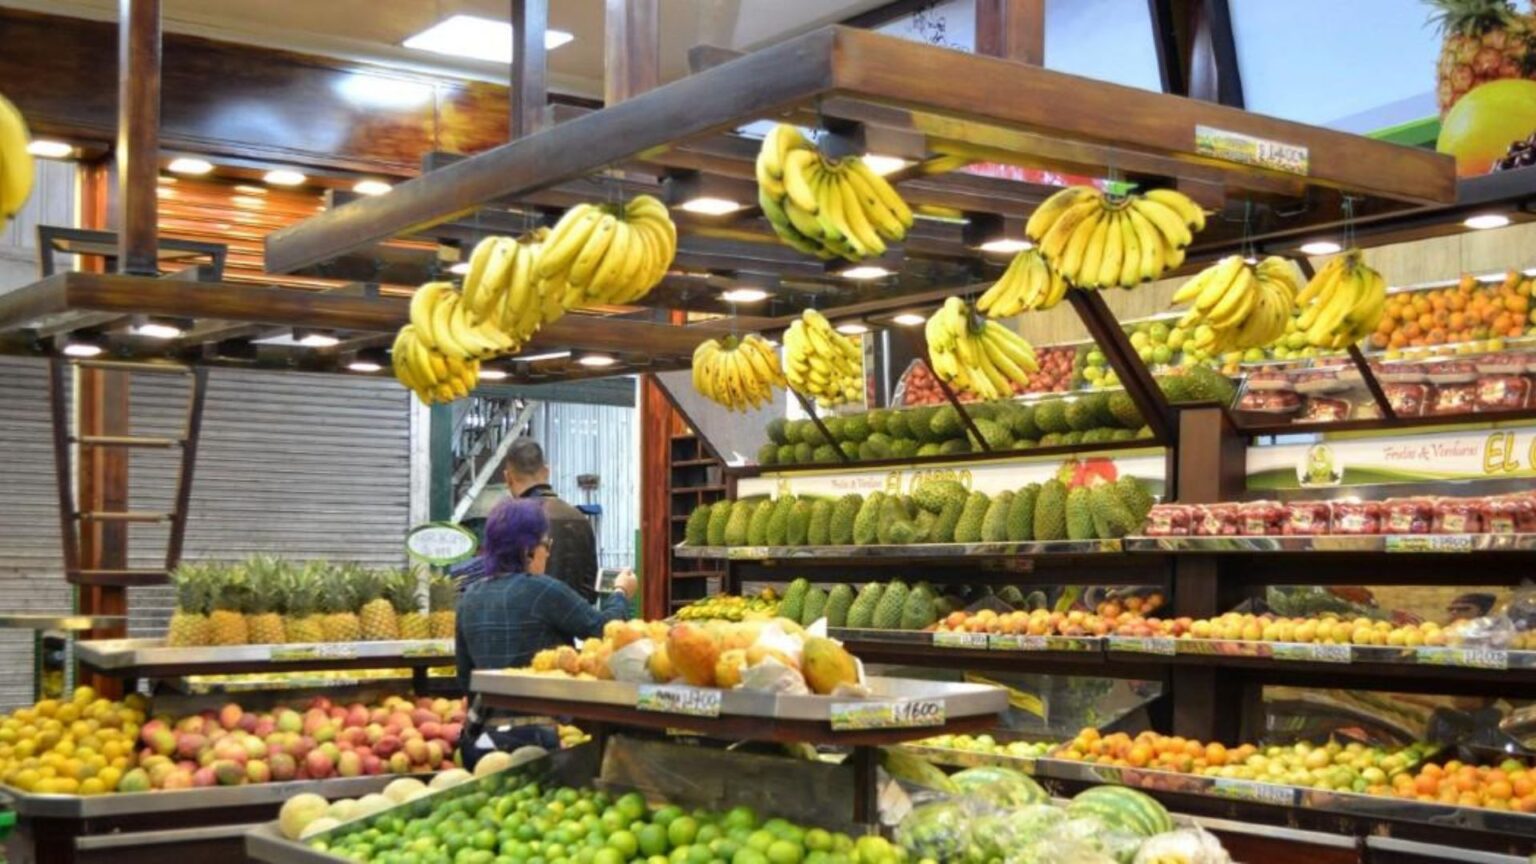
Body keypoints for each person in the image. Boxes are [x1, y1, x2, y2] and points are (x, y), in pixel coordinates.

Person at [455, 498, 635, 769]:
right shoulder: (543, 590)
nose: (548, 554)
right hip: (537, 738)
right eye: (546, 545)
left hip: (482, 742)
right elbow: (604, 629)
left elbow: (464, 677)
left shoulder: (469, 597)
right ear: (528, 550)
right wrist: (621, 593)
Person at [453, 438, 599, 602]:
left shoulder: (508, 521)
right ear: (547, 471)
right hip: (576, 616)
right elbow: (591, 589)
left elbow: (495, 581)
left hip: (521, 616)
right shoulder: (579, 518)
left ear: (508, 478)